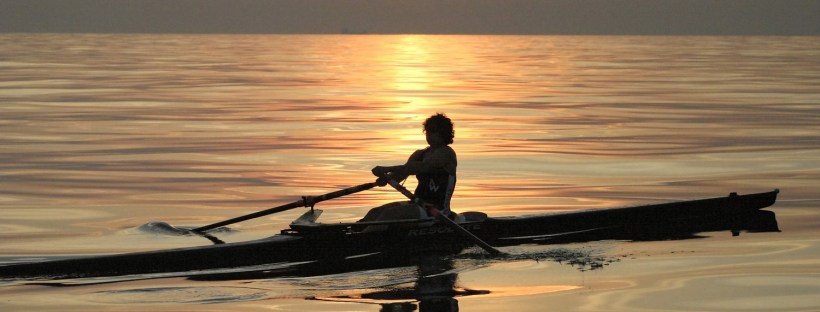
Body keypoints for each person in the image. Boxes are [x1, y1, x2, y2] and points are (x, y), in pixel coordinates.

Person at [359, 113, 457, 222]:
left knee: (391, 214)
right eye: (428, 132)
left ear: (443, 134)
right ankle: (355, 233)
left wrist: (386, 169)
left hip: (438, 210)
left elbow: (418, 168)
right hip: (418, 203)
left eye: (433, 132)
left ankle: (368, 237)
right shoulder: (419, 154)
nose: (429, 135)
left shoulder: (447, 153)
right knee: (375, 212)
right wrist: (386, 178)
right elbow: (403, 172)